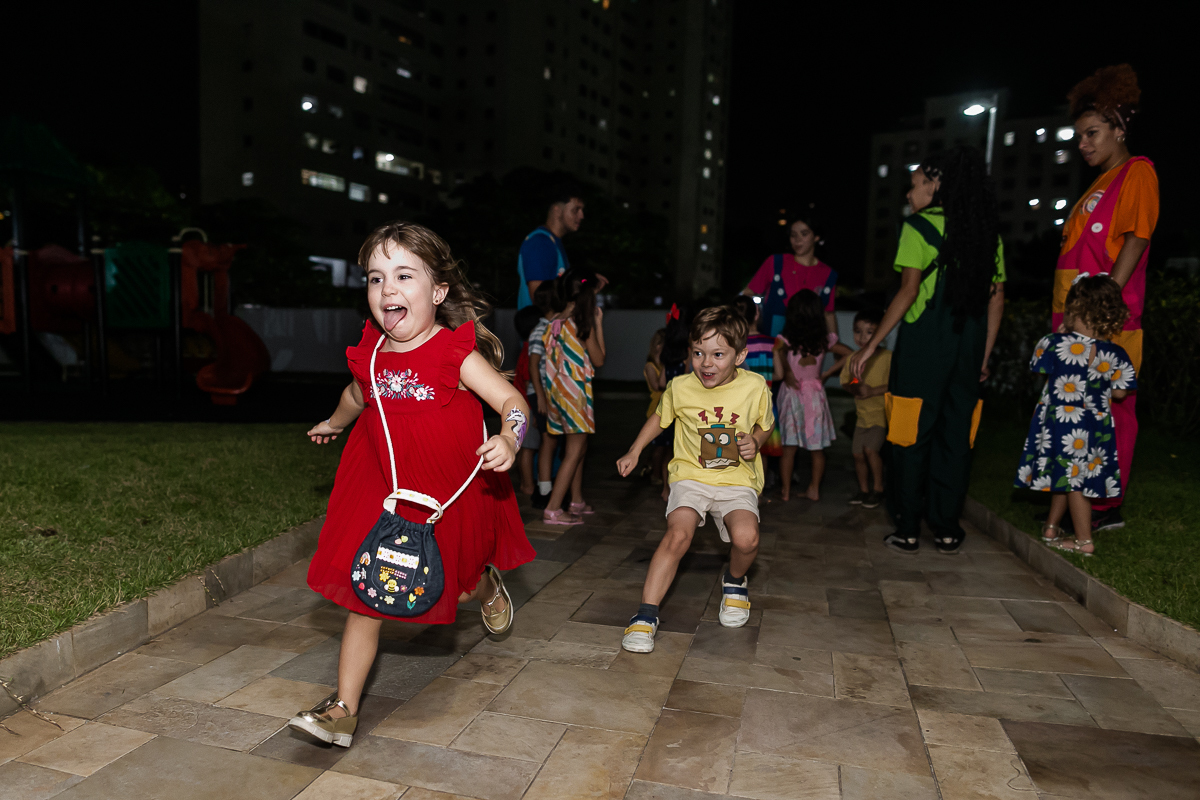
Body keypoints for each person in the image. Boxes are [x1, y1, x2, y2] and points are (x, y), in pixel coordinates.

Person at [296, 222, 536, 747]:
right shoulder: (374, 355)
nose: (388, 290)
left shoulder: (455, 355)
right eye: (376, 278)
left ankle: (485, 581)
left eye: (404, 276)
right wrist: (334, 426)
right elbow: (357, 399)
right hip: (383, 486)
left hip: (449, 493)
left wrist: (511, 439)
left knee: (460, 584)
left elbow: (514, 405)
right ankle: (342, 708)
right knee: (366, 594)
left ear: (438, 292)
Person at [848, 146, 1005, 555]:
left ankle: (908, 529)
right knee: (956, 438)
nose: (908, 193)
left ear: (936, 185)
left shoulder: (917, 227)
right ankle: (948, 529)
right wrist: (983, 356)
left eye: (915, 184)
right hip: (967, 346)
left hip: (923, 349)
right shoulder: (986, 231)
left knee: (907, 436)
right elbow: (996, 298)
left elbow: (909, 291)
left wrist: (872, 345)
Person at [616, 306, 775, 653]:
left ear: (740, 355)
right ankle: (645, 615)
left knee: (747, 539)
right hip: (690, 476)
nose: (706, 363)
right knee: (678, 534)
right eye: (699, 353)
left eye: (718, 354)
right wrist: (635, 451)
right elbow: (659, 419)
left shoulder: (755, 386)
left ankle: (734, 583)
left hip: (737, 478)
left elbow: (766, 422)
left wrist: (757, 441)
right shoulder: (680, 387)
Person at [1052, 64, 1157, 533]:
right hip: (1078, 324)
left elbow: (1136, 238)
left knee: (1112, 410)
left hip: (1110, 323)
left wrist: (1103, 306)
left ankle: (1105, 505)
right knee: (1078, 410)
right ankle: (1080, 499)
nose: (1084, 144)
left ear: (1119, 128)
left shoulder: (1137, 172)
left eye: (1093, 133)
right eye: (1079, 136)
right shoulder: (1096, 185)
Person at [1015, 276, 1135, 556]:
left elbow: (1040, 369)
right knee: (1068, 475)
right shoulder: (1116, 353)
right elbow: (1119, 395)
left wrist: (1062, 334)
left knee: (1072, 480)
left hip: (1059, 423)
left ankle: (1084, 541)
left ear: (1074, 310)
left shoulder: (1052, 343)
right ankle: (1051, 526)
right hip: (1094, 427)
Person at [539, 268, 606, 525]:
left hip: (558, 394)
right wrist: (598, 324)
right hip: (575, 394)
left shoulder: (556, 320)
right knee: (574, 450)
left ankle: (576, 501)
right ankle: (554, 508)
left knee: (577, 449)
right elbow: (599, 359)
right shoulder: (581, 324)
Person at [741, 217, 851, 366]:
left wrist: (837, 353)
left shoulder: (828, 274)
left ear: (817, 237)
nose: (797, 240)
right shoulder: (775, 262)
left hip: (806, 354)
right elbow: (747, 295)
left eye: (804, 234)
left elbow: (828, 313)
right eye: (793, 235)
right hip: (771, 349)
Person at [773, 290, 839, 502]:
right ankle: (814, 489)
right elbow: (848, 354)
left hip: (792, 394)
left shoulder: (784, 340)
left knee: (789, 447)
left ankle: (785, 491)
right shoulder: (825, 340)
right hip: (814, 396)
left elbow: (778, 354)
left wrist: (788, 372)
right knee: (816, 447)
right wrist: (826, 374)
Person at [839, 308, 890, 508]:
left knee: (871, 450)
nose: (862, 337)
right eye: (858, 331)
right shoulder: (853, 358)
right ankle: (864, 490)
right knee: (858, 454)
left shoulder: (887, 357)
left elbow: (897, 385)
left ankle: (878, 489)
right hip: (862, 417)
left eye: (869, 332)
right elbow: (845, 382)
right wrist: (855, 386)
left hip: (881, 416)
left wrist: (872, 391)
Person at [517, 187, 583, 310]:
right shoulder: (540, 243)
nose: (581, 215)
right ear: (557, 210)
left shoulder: (554, 243)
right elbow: (539, 298)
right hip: (541, 328)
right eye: (576, 210)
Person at [526, 283, 558, 509]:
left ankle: (547, 487)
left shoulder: (554, 327)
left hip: (550, 394)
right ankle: (544, 490)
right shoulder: (541, 329)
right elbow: (533, 365)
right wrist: (541, 398)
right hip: (541, 394)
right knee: (548, 440)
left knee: (552, 440)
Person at [512, 304, 545, 496]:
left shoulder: (524, 349)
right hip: (526, 405)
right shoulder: (529, 352)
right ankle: (527, 485)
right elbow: (527, 380)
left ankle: (527, 483)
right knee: (528, 448)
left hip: (524, 405)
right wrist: (531, 411)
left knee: (528, 447)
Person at [642, 328, 667, 485]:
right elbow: (657, 385)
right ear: (657, 346)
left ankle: (652, 468)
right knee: (658, 447)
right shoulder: (650, 366)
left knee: (663, 446)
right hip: (656, 410)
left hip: (665, 408)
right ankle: (655, 475)